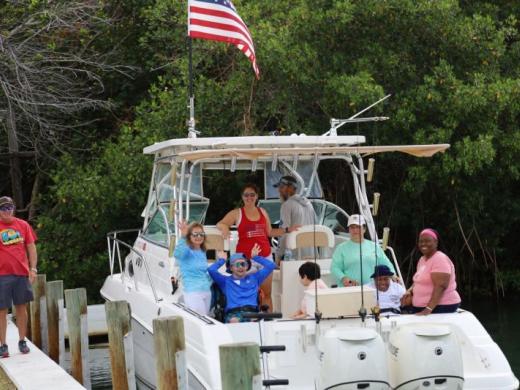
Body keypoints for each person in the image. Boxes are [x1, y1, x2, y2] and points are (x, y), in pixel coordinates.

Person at [217, 183, 281, 311]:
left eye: (252, 194)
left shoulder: (263, 211)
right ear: (242, 197)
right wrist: (224, 228)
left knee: (267, 293)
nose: (249, 197)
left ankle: (268, 322)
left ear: (257, 196)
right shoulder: (237, 213)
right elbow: (221, 223)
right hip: (245, 261)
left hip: (265, 257)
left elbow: (269, 232)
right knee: (247, 293)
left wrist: (287, 230)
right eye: (246, 195)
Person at [0, 196, 37, 357]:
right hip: (2, 275)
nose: (7, 211)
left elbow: (31, 248)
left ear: (13, 208)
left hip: (21, 273)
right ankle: (3, 345)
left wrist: (33, 269)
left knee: (22, 308)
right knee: (1, 310)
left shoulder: (23, 225)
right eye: (3, 208)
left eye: (9, 207)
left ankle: (22, 341)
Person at [208, 244, 276, 323]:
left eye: (243, 264)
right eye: (237, 265)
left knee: (256, 320)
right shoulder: (225, 281)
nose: (241, 267)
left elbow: (271, 265)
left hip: (252, 313)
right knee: (234, 321)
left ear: (247, 267)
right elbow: (211, 270)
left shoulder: (255, 278)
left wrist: (255, 257)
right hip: (233, 314)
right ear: (231, 268)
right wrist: (222, 260)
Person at [400, 229, 461, 315]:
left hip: (440, 307)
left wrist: (428, 309)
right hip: (423, 307)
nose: (423, 244)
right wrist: (409, 291)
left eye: (427, 241)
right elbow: (418, 281)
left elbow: (441, 286)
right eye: (421, 241)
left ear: (436, 242)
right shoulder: (422, 259)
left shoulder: (440, 258)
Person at [331, 214, 395, 287]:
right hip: (350, 289)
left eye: (358, 227)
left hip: (373, 288)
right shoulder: (341, 248)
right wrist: (343, 278)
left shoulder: (374, 246)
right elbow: (334, 268)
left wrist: (393, 275)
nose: (355, 230)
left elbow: (386, 263)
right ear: (349, 230)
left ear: (364, 229)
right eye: (352, 227)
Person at [273, 176, 317, 263]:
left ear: (290, 188)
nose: (279, 190)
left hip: (295, 257)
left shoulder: (286, 205)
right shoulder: (308, 204)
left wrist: (278, 256)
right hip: (312, 256)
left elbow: (283, 233)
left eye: (281, 187)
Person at [173, 220, 212, 316]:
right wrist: (183, 237)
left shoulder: (202, 251)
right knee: (201, 321)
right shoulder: (186, 251)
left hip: (206, 291)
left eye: (201, 234)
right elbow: (177, 254)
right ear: (189, 236)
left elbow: (203, 272)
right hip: (193, 292)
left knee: (205, 319)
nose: (198, 237)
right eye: (195, 234)